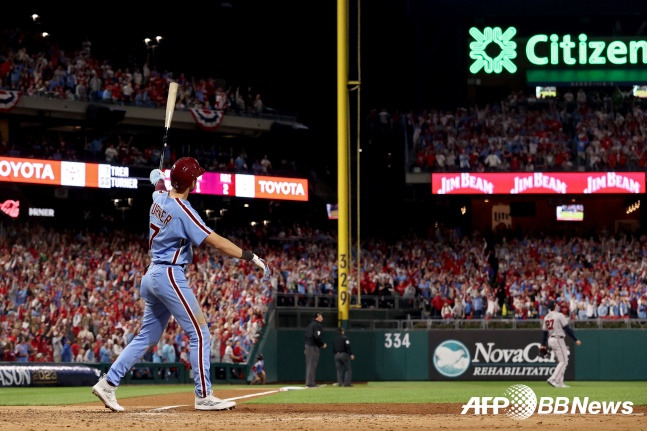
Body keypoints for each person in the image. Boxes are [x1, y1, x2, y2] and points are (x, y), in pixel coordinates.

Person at [92, 157, 270, 412]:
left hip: (151, 275)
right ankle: (204, 395)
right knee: (200, 333)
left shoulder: (160, 199)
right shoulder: (183, 210)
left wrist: (156, 178)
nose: (197, 180)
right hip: (169, 275)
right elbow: (216, 241)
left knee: (148, 336)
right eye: (195, 177)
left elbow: (158, 187)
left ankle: (108, 383)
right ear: (190, 182)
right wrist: (250, 256)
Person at [540, 300, 582, 388]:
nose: (558, 306)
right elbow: (567, 329)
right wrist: (575, 339)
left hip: (550, 339)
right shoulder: (559, 315)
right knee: (564, 361)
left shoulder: (546, 317)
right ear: (554, 306)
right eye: (556, 305)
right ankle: (553, 379)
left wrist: (542, 344)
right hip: (557, 339)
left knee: (560, 361)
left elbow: (544, 332)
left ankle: (559, 382)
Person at [304, 312, 326, 388]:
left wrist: (305, 348)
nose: (322, 317)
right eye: (320, 315)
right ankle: (311, 383)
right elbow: (317, 337)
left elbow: (306, 336)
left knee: (309, 364)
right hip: (313, 346)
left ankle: (309, 382)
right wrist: (322, 344)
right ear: (317, 317)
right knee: (312, 364)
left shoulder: (310, 324)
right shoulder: (317, 325)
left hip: (308, 345)